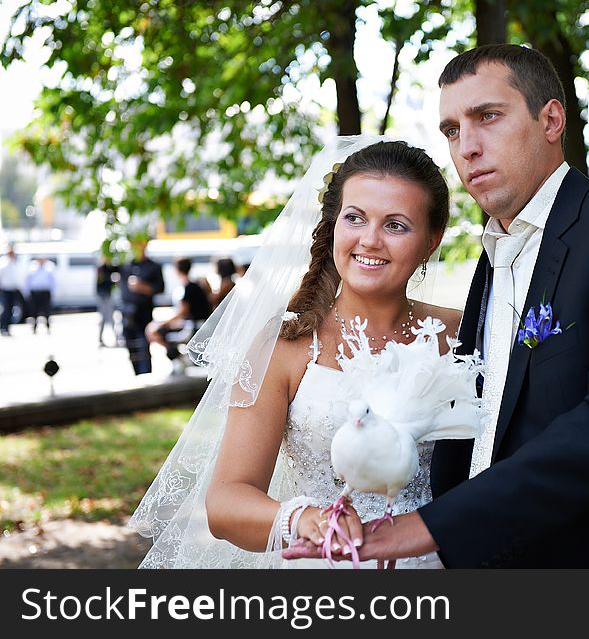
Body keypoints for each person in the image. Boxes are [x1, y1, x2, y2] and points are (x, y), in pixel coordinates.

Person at [288, 44, 589, 568]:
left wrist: (433, 528)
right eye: (451, 130)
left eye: (487, 117)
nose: (467, 147)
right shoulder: (490, 268)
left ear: (551, 120)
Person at [130, 137, 460, 568]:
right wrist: (303, 518)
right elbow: (227, 500)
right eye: (355, 218)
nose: (371, 240)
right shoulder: (283, 347)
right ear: (335, 224)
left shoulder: (460, 334)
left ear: (430, 242)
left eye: (396, 225)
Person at [147, 256, 212, 374]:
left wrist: (165, 323)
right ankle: (181, 359)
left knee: (155, 332)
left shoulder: (189, 287)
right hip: (195, 324)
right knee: (155, 330)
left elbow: (183, 312)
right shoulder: (194, 285)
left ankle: (181, 359)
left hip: (194, 327)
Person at [118, 236, 165, 375]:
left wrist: (142, 287)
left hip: (143, 315)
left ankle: (146, 378)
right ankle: (137, 376)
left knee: (143, 348)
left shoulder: (153, 266)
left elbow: (159, 288)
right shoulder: (126, 266)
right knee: (130, 347)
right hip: (127, 314)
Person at [24, 256, 56, 334]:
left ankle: (48, 327)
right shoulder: (32, 267)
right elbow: (27, 280)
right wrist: (27, 292)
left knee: (47, 311)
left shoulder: (49, 267)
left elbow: (53, 280)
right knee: (34, 311)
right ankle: (34, 328)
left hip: (45, 292)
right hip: (35, 292)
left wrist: (53, 291)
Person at [96, 254, 120, 347]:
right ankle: (102, 338)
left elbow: (117, 269)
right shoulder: (101, 268)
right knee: (105, 317)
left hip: (108, 296)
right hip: (103, 297)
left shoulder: (109, 268)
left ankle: (116, 338)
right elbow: (100, 282)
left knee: (110, 317)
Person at [0, 244, 21, 336]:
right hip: (5, 289)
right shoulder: (4, 262)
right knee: (6, 309)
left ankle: (6, 327)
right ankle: (3, 327)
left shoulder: (13, 262)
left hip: (13, 289)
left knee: (10, 309)